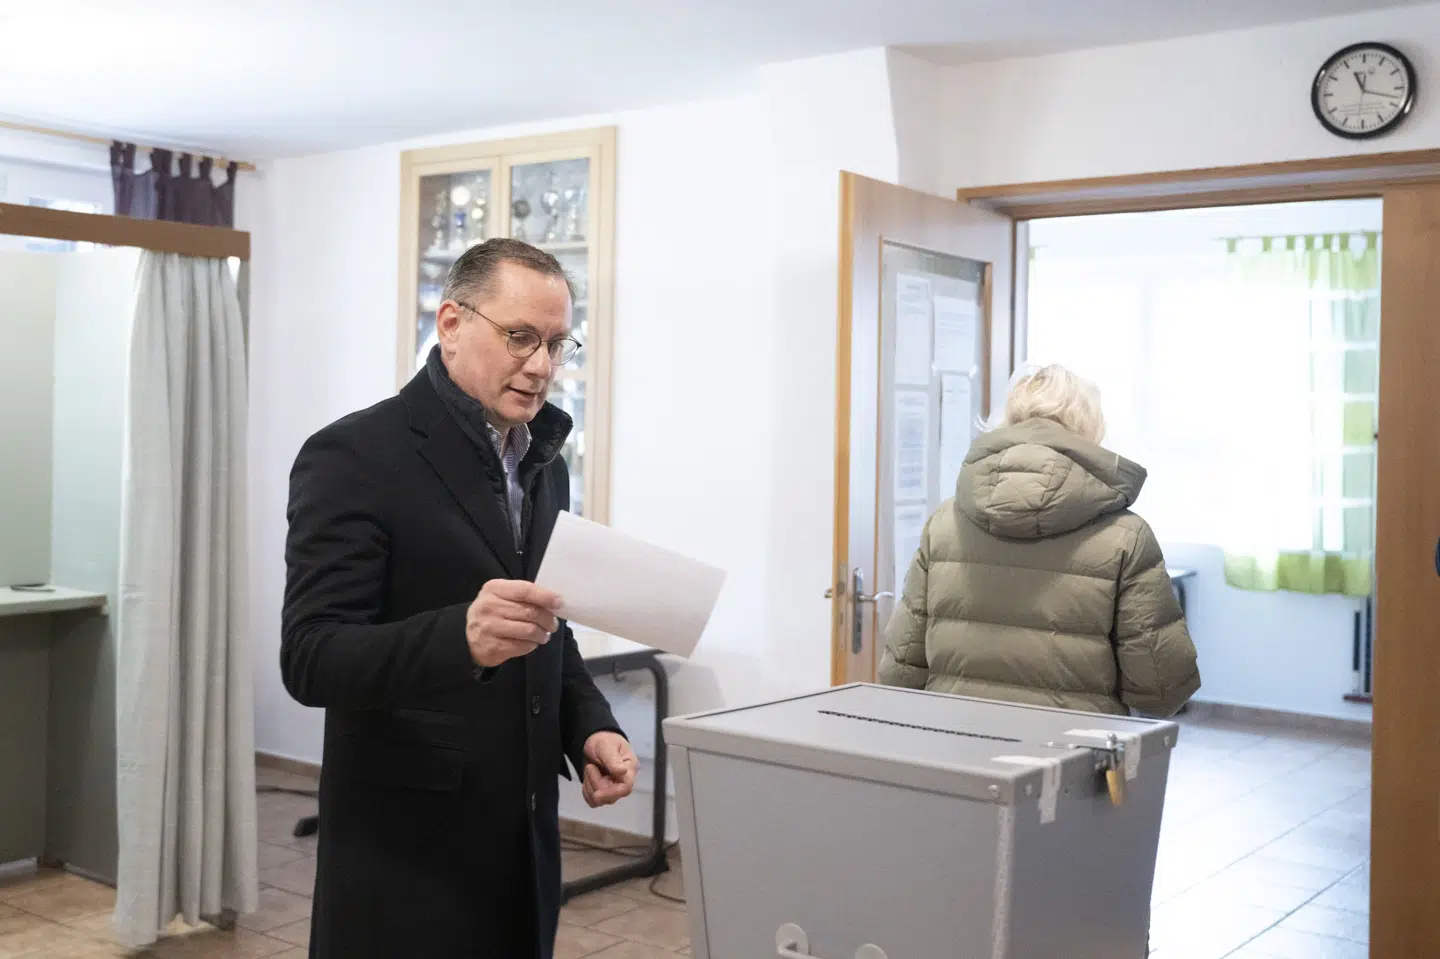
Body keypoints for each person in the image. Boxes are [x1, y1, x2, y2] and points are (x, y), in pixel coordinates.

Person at [280, 238, 638, 959]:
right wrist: (461, 638)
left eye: (556, 343)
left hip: (523, 848)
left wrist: (588, 724)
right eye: (520, 337)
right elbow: (311, 657)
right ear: (450, 324)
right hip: (406, 857)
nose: (542, 365)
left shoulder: (544, 462)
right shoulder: (354, 455)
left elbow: (545, 623)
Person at [879, 364, 1200, 717]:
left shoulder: (943, 525)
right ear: (1091, 427)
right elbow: (1162, 689)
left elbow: (899, 672)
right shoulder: (1126, 537)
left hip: (959, 738)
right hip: (1073, 745)